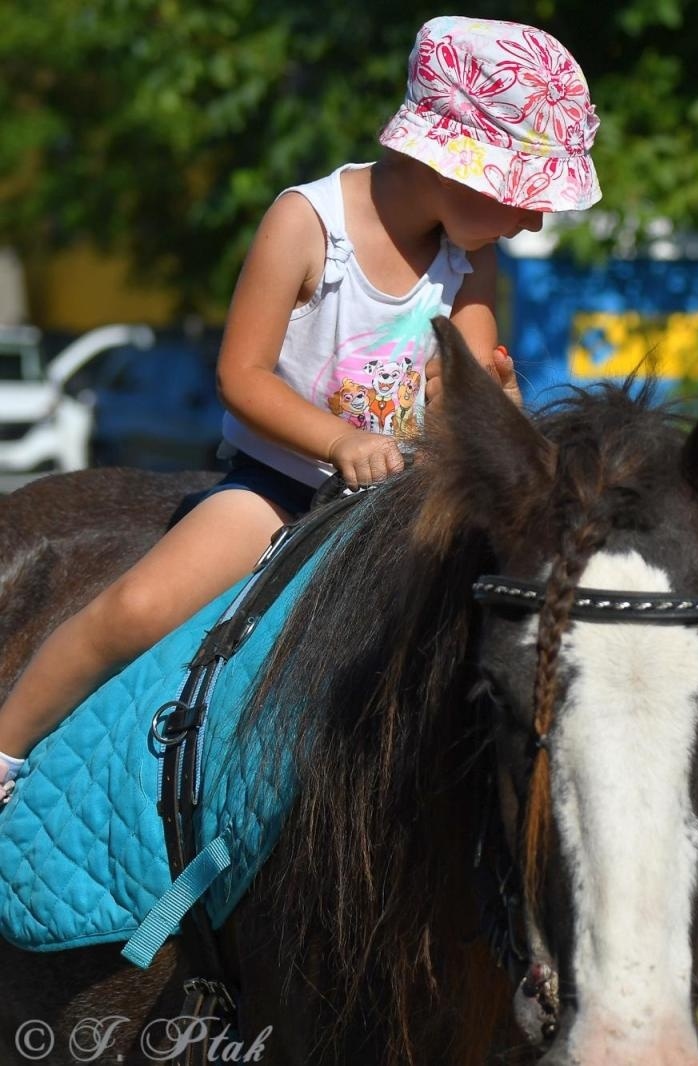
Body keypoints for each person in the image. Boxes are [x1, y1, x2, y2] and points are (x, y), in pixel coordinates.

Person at [0, 16, 602, 802]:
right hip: (281, 490)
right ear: (452, 167)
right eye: (525, 198)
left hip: (407, 505)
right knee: (139, 605)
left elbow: (467, 383)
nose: (535, 221)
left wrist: (495, 408)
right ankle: (8, 748)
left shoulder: (470, 257)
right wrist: (338, 438)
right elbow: (241, 377)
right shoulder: (308, 224)